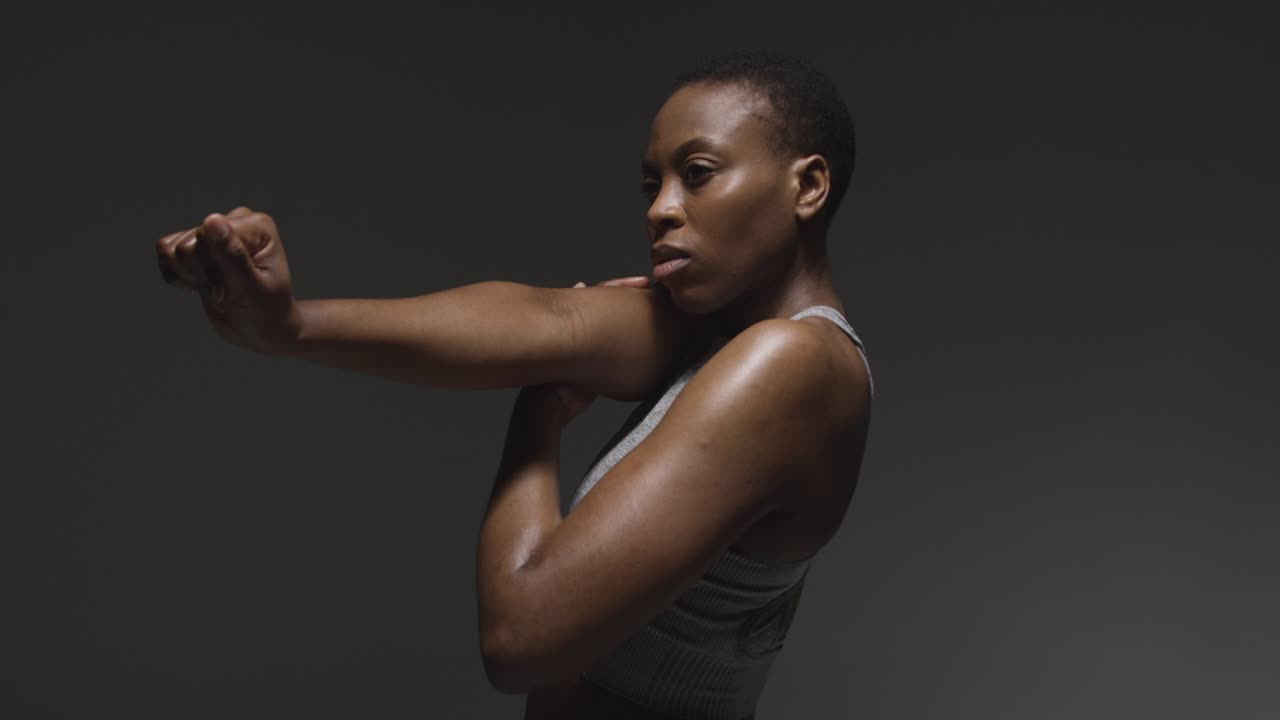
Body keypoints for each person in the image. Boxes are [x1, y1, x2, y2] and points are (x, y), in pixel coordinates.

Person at [155, 49, 872, 720]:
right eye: (653, 183)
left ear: (805, 186)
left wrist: (539, 412)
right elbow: (546, 317)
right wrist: (288, 323)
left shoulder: (791, 363)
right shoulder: (714, 333)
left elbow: (520, 636)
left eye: (700, 172)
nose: (660, 208)